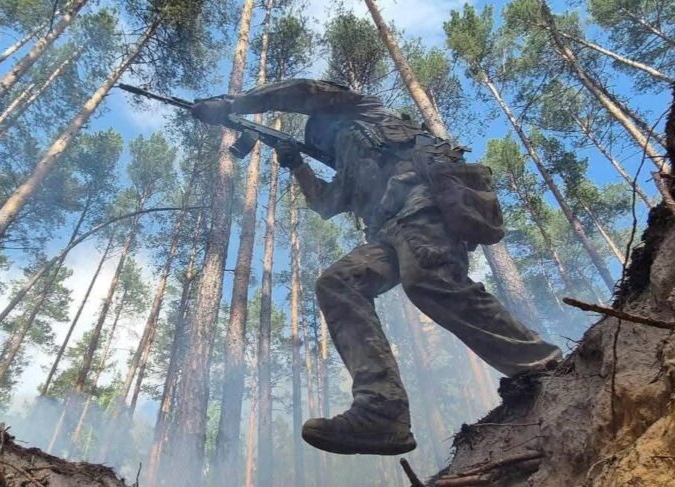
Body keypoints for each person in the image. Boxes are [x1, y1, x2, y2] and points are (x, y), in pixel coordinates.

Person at [192, 79, 562, 456]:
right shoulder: (349, 170)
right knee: (338, 283)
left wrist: (233, 104)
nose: (327, 145)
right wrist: (297, 164)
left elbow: (303, 91)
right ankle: (381, 410)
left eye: (321, 138)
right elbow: (325, 204)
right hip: (387, 232)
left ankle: (541, 363)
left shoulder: (363, 109)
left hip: (424, 204)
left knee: (428, 281)